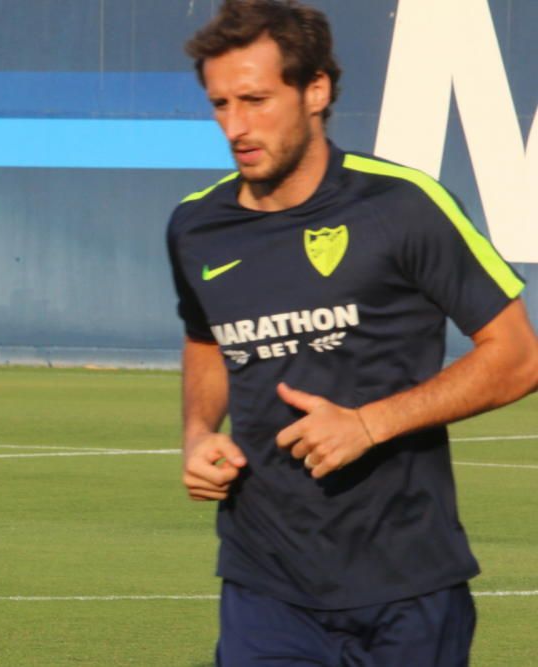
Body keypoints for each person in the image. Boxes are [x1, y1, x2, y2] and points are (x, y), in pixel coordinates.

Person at [166, 1, 538, 664]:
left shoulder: (403, 205)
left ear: (317, 90)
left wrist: (368, 423)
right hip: (264, 583)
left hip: (410, 583)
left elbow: (517, 356)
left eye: (255, 99)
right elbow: (206, 338)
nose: (236, 126)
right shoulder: (196, 228)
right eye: (220, 103)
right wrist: (198, 432)